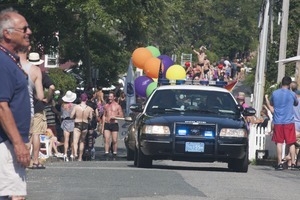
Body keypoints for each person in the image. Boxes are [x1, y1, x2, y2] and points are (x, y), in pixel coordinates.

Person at [0, 8, 32, 200]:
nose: (29, 32)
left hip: (10, 141)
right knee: (14, 195)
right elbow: (2, 106)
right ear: (7, 33)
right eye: (24, 29)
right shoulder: (2, 63)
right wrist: (18, 144)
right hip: (6, 143)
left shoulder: (10, 61)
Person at [28, 53, 55, 169]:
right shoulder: (41, 74)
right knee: (36, 133)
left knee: (26, 134)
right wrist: (47, 99)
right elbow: (52, 87)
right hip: (38, 107)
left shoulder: (23, 72)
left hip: (25, 106)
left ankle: (25, 160)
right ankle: (35, 160)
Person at [270, 76, 298, 170]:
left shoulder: (275, 93)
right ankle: (293, 163)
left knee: (279, 142)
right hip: (289, 121)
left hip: (278, 121)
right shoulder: (292, 94)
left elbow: (271, 103)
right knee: (291, 142)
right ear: (290, 84)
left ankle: (279, 163)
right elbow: (296, 103)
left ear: (281, 83)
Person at [70, 93, 93, 161]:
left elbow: (71, 116)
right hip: (85, 124)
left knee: (75, 141)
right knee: (82, 141)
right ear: (86, 99)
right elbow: (91, 118)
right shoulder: (89, 108)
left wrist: (75, 117)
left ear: (80, 99)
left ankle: (75, 154)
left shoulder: (76, 107)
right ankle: (80, 157)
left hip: (77, 123)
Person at [101, 91, 124, 157]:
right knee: (106, 139)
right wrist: (102, 126)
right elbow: (104, 115)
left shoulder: (117, 106)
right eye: (109, 97)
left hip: (114, 124)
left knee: (114, 140)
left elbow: (121, 116)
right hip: (107, 123)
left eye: (111, 97)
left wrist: (114, 117)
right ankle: (106, 152)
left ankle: (114, 152)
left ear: (114, 97)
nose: (110, 98)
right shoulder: (106, 106)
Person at [61, 90, 77, 162]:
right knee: (73, 140)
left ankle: (65, 154)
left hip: (65, 122)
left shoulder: (63, 106)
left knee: (66, 140)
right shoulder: (75, 106)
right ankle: (72, 154)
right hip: (72, 122)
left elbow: (62, 114)